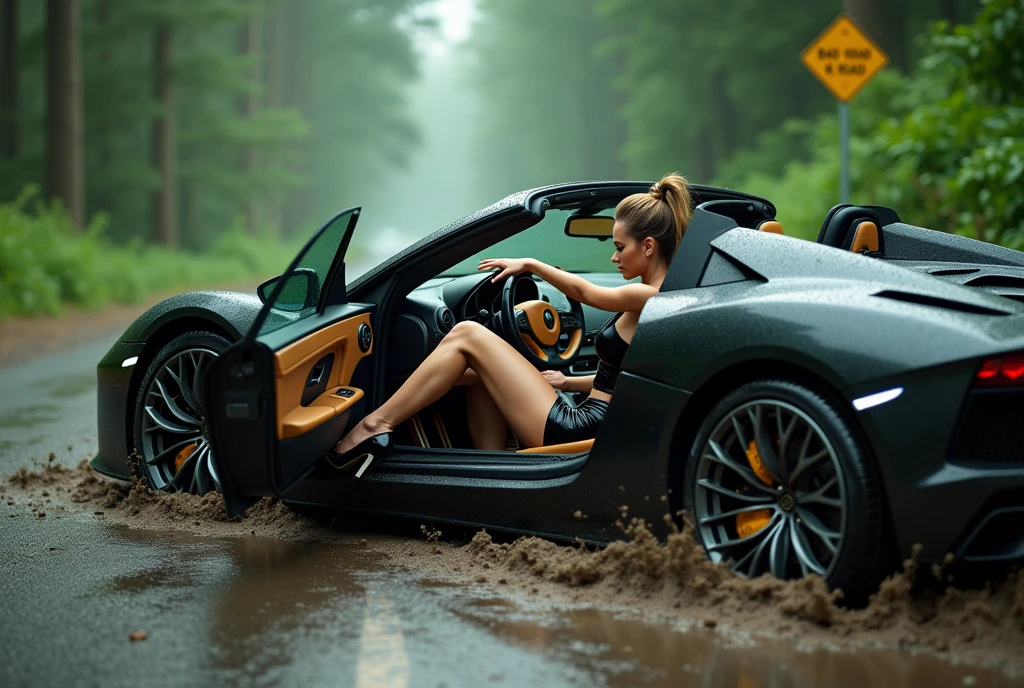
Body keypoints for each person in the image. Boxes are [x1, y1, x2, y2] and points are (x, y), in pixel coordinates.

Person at [326, 173, 693, 476]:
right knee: (477, 372)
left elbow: (586, 292)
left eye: (619, 247)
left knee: (467, 333)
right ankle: (490, 469)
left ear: (647, 247)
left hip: (582, 427)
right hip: (597, 416)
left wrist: (532, 264)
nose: (613, 257)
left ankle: (375, 424)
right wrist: (566, 381)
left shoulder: (650, 297)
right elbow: (623, 377)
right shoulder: (663, 295)